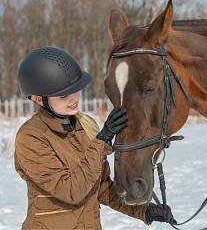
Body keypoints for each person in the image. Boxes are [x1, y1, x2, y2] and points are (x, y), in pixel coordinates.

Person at [15, 46, 176, 229]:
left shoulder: (84, 126)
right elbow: (71, 191)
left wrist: (145, 210)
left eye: (76, 89)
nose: (74, 98)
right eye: (64, 95)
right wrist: (103, 140)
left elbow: (101, 188)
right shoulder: (30, 138)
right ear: (38, 99)